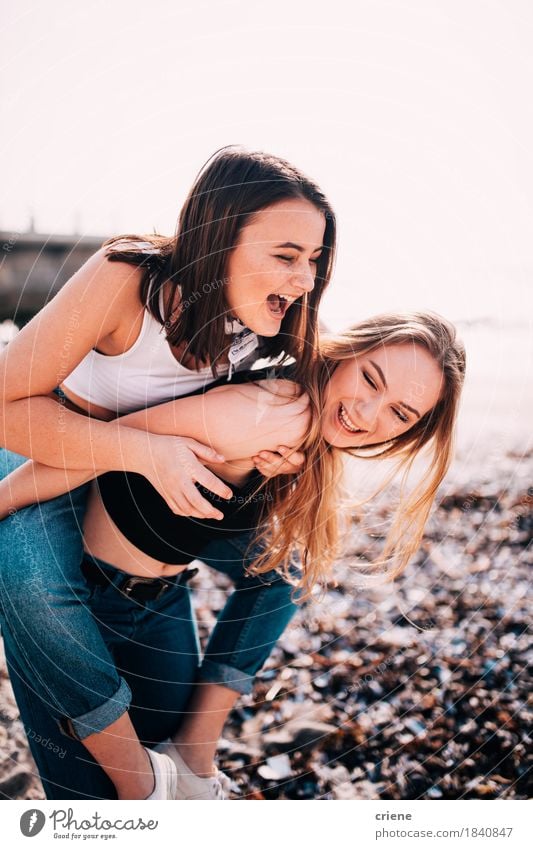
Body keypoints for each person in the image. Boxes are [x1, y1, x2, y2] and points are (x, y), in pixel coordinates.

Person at [0, 311, 466, 799]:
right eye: (371, 380)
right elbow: (94, 449)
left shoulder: (310, 430)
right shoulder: (260, 412)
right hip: (79, 611)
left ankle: (194, 756)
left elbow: (308, 317)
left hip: (162, 605)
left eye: (399, 413)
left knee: (291, 561)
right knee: (96, 810)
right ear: (348, 353)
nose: (368, 414)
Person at [0, 146, 336, 799]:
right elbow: (7, 407)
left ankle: (192, 752)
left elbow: (321, 395)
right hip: (52, 442)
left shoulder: (269, 325)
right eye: (286, 255)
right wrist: (142, 452)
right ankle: (142, 783)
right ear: (219, 235)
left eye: (314, 260)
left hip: (143, 485)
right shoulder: (127, 281)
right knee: (27, 579)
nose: (304, 279)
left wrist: (273, 457)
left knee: (289, 564)